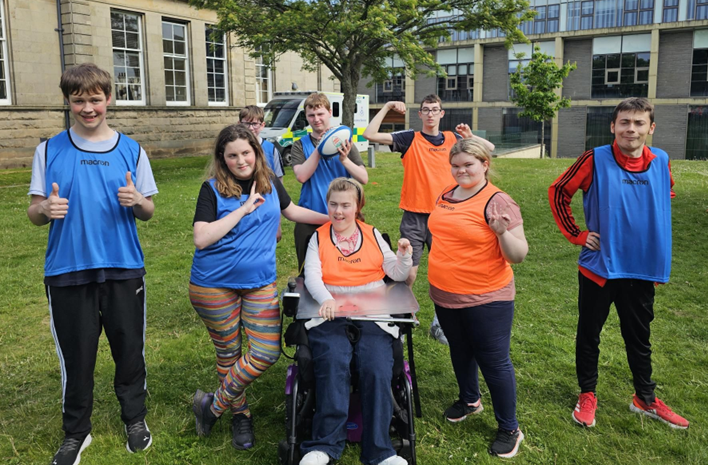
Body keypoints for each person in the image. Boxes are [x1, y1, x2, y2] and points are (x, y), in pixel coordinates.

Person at [27, 63, 158, 465]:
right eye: (79, 100)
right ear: (68, 101)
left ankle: (134, 419)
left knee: (129, 350)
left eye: (95, 100)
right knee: (77, 355)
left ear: (109, 99)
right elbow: (33, 212)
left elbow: (149, 210)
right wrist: (45, 208)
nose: (88, 108)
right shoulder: (48, 149)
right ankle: (75, 432)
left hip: (122, 268)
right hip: (68, 271)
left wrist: (138, 202)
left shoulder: (131, 150)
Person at [548, 97, 689, 430]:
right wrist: (577, 235)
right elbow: (559, 192)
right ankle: (587, 394)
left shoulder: (662, 161)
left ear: (650, 128)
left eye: (639, 123)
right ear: (613, 126)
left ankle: (645, 398)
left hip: (641, 268)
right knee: (589, 334)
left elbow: (666, 192)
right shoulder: (594, 159)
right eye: (625, 122)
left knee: (639, 337)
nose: (631, 129)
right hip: (600, 267)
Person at [190, 124, 329, 450]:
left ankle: (212, 407)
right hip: (213, 285)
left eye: (246, 153)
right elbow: (202, 237)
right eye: (232, 156)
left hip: (259, 284)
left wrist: (332, 218)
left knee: (265, 353)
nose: (241, 161)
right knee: (229, 355)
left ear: (256, 151)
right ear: (222, 159)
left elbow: (292, 211)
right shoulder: (211, 190)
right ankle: (241, 415)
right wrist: (242, 209)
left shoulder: (270, 183)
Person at [362, 95, 495, 346]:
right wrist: (388, 107)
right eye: (426, 110)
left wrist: (469, 137)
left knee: (447, 272)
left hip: (446, 214)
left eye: (435, 110)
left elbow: (489, 149)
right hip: (414, 217)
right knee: (408, 274)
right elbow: (370, 135)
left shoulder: (453, 139)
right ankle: (405, 316)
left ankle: (439, 323)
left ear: (442, 113)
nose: (431, 114)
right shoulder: (409, 138)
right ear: (420, 114)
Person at [298, 178, 413, 465]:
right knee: (333, 361)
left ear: (357, 206)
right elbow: (312, 274)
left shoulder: (373, 234)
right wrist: (325, 298)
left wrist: (403, 256)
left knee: (376, 367)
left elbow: (396, 275)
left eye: (345, 205)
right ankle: (323, 445)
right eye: (333, 205)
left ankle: (380, 450)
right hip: (330, 310)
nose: (338, 212)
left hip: (372, 310)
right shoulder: (318, 237)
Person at [427, 138, 528, 458]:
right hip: (444, 293)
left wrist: (501, 233)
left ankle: (510, 428)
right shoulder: (446, 194)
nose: (461, 171)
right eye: (455, 166)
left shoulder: (498, 201)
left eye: (468, 165)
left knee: (494, 361)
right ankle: (470, 400)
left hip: (487, 298)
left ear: (485, 164)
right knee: (459, 349)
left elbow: (519, 255)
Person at [292, 93, 368, 274]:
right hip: (309, 218)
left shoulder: (345, 140)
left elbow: (363, 177)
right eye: (311, 115)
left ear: (329, 112)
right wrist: (320, 148)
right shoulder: (300, 145)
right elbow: (301, 176)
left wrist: (345, 160)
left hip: (342, 218)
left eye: (320, 114)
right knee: (308, 272)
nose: (316, 119)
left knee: (343, 270)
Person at [239, 104, 285, 241]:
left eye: (255, 124)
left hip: (266, 207)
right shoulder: (233, 150)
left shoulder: (271, 149)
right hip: (241, 206)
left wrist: (278, 224)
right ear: (239, 123)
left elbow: (279, 186)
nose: (250, 128)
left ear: (262, 125)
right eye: (246, 123)